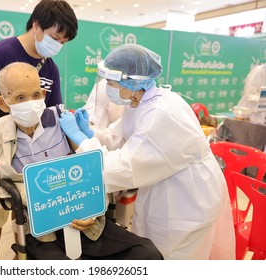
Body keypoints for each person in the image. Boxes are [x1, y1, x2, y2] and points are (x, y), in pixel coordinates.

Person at [59, 44, 236, 260]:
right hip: (163, 186)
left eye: (112, 83)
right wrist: (89, 134)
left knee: (174, 257)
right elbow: (118, 138)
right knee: (153, 248)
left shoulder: (160, 113)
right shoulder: (139, 102)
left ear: (133, 81)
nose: (108, 89)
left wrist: (81, 142)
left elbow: (123, 167)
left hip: (187, 200)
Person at [0, 62, 163, 260]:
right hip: (42, 231)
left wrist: (93, 210)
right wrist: (38, 197)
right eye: (20, 98)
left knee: (145, 252)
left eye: (36, 95)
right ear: (3, 102)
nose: (30, 102)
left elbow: (94, 169)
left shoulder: (61, 120)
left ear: (44, 95)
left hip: (85, 220)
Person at [0, 0, 78, 172]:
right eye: (55, 38)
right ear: (37, 25)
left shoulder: (50, 68)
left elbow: (53, 112)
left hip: (33, 155)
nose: (57, 46)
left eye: (63, 42)